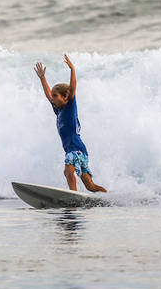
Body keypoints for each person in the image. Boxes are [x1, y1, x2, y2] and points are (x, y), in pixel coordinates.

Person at [34, 54, 107, 193]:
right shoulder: (58, 110)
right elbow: (48, 94)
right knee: (90, 186)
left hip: (76, 150)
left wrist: (72, 69)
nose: (52, 99)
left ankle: (73, 195)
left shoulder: (70, 106)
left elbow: (73, 88)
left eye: (56, 96)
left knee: (68, 171)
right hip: (79, 151)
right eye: (53, 96)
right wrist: (42, 78)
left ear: (65, 97)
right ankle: (108, 198)